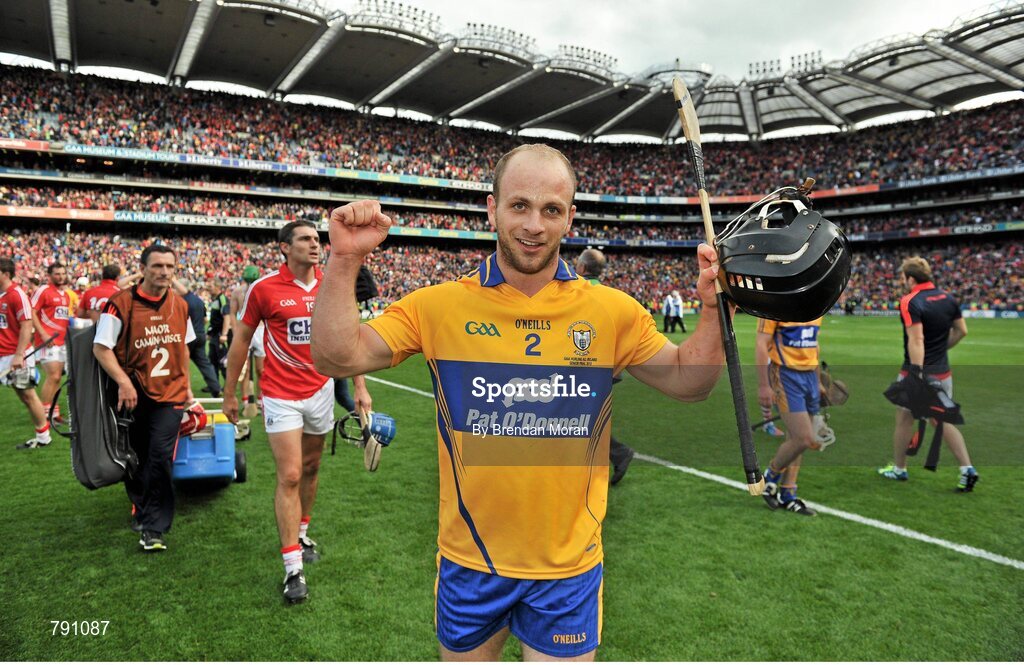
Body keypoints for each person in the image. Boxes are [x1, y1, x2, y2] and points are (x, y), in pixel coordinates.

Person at [311, 144, 725, 661]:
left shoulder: (612, 311)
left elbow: (692, 382)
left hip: (568, 570)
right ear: (492, 208)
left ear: (570, 218)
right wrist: (345, 257)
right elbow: (334, 356)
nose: (534, 224)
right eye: (519, 205)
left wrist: (711, 310)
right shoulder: (438, 306)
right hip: (470, 563)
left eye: (551, 210)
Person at [222, 221, 372, 605]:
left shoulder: (332, 284)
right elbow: (240, 340)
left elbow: (350, 338)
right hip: (280, 394)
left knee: (311, 468)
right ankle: (293, 569)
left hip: (321, 389)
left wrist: (359, 387)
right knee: (289, 474)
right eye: (305, 239)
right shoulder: (264, 288)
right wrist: (230, 393)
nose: (315, 245)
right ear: (285, 248)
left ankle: (302, 531)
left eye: (317, 239)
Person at [93, 244, 196, 551]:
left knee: (160, 457)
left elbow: (184, 347)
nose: (164, 272)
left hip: (171, 393)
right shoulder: (120, 303)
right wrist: (123, 382)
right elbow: (101, 348)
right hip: (133, 393)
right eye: (157, 266)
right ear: (144, 268)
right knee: (136, 457)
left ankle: (154, 527)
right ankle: (140, 503)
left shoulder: (180, 304)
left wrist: (188, 386)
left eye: (170, 267)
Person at [878, 256, 978, 491]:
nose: (902, 282)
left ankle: (900, 469)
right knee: (940, 420)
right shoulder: (948, 297)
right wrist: (941, 350)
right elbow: (962, 330)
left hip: (919, 372)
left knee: (904, 419)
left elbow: (917, 339)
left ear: (911, 279)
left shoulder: (910, 300)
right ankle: (967, 469)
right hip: (943, 371)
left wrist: (916, 373)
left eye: (903, 277)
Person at [574, 248, 636, 485]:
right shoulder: (613, 297)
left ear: (581, 268)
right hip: (608, 369)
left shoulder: (574, 294)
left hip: (581, 369)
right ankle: (618, 454)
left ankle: (618, 454)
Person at [756, 317, 826, 516]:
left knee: (796, 439)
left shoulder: (816, 304)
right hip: (784, 374)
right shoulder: (776, 303)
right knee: (804, 439)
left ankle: (788, 494)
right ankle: (770, 476)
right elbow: (761, 343)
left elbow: (814, 344)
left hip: (810, 375)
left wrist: (818, 380)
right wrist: (763, 385)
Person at [1, 257, 53, 449]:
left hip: (15, 354)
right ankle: (42, 434)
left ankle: (43, 437)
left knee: (28, 395)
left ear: (6, 274)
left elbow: (26, 325)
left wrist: (19, 354)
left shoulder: (17, 294)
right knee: (23, 395)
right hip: (4, 353)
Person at [31, 263, 71, 425]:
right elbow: (31, 311)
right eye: (57, 274)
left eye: (63, 273)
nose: (60, 277)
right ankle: (45, 415)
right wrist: (42, 333)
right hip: (47, 341)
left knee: (56, 379)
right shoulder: (43, 291)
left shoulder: (66, 295)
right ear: (49, 275)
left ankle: (54, 414)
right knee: (53, 376)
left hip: (61, 341)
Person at [172, 278, 222, 398]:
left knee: (182, 364)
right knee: (205, 364)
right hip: (200, 335)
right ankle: (216, 388)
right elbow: (205, 319)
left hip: (187, 336)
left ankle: (183, 389)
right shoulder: (198, 300)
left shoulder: (180, 300)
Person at [228, 266, 263, 408]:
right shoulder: (237, 292)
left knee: (261, 369)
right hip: (244, 330)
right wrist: (236, 331)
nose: (250, 284)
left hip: (260, 330)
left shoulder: (262, 290)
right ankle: (246, 399)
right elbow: (232, 313)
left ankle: (261, 399)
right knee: (245, 368)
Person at [207, 279, 230, 382]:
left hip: (220, 336)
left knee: (222, 362)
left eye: (211, 286)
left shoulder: (222, 299)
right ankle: (215, 386)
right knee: (212, 360)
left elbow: (227, 317)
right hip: (214, 336)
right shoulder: (215, 299)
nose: (208, 288)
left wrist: (224, 334)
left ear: (218, 287)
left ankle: (228, 386)